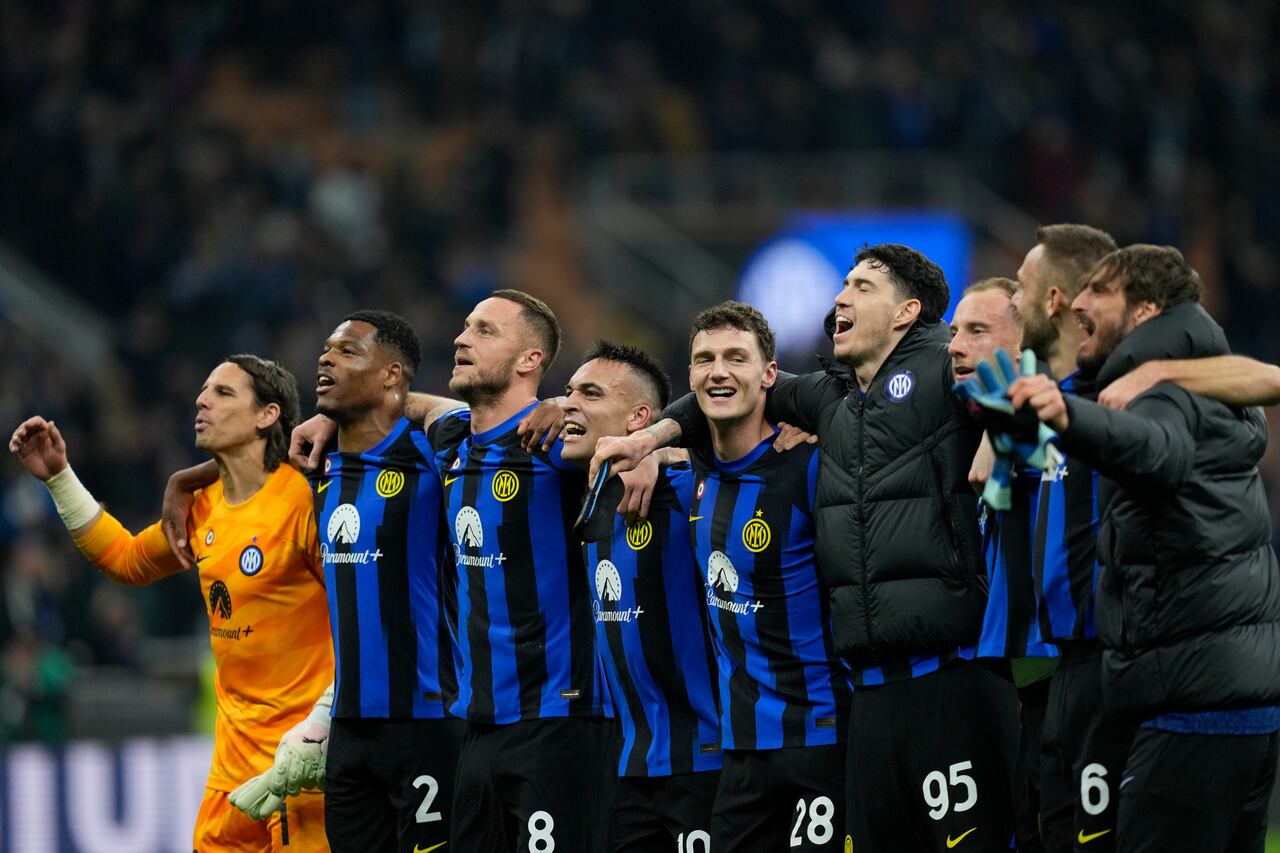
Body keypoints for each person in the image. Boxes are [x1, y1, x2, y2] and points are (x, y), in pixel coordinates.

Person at [594, 245, 1019, 852]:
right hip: (870, 700)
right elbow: (724, 389)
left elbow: (1022, 375)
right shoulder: (831, 399)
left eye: (862, 287)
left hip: (948, 679)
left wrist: (999, 435)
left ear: (906, 312)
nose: (840, 297)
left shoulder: (939, 364)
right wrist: (652, 440)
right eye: (842, 285)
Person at [1008, 245, 1280, 853]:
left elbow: (1154, 447)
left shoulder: (1160, 393)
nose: (1078, 301)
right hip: (1243, 709)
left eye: (1099, 292)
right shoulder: (1209, 385)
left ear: (1145, 310)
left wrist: (1066, 417)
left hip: (1191, 711)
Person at [9, 355, 333, 852]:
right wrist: (59, 477)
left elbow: (363, 622)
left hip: (302, 770)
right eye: (203, 390)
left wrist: (326, 722)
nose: (201, 400)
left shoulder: (307, 501)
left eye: (223, 393)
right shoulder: (202, 506)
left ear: (267, 415)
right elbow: (125, 559)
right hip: (231, 773)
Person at [421, 290, 615, 850]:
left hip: (560, 721)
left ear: (530, 359)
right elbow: (415, 406)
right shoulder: (453, 442)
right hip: (477, 725)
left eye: (484, 331)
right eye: (464, 327)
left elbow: (646, 443)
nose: (461, 338)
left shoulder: (564, 443)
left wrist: (571, 408)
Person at [563, 340, 723, 851]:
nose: (569, 403)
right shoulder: (582, 490)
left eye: (590, 393)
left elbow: (734, 432)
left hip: (707, 763)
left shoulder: (686, 486)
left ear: (639, 417)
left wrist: (664, 451)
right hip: (629, 768)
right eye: (568, 392)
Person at [1009, 223, 1127, 853]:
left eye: (1021, 288)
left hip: (1110, 662)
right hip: (1061, 675)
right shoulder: (1051, 403)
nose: (1011, 303)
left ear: (1054, 300)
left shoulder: (1122, 396)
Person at [950, 276, 1056, 853]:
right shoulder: (975, 425)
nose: (956, 345)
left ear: (1024, 348)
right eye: (954, 332)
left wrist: (1006, 437)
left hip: (1071, 677)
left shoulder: (1056, 423)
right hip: (1029, 688)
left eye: (977, 331)